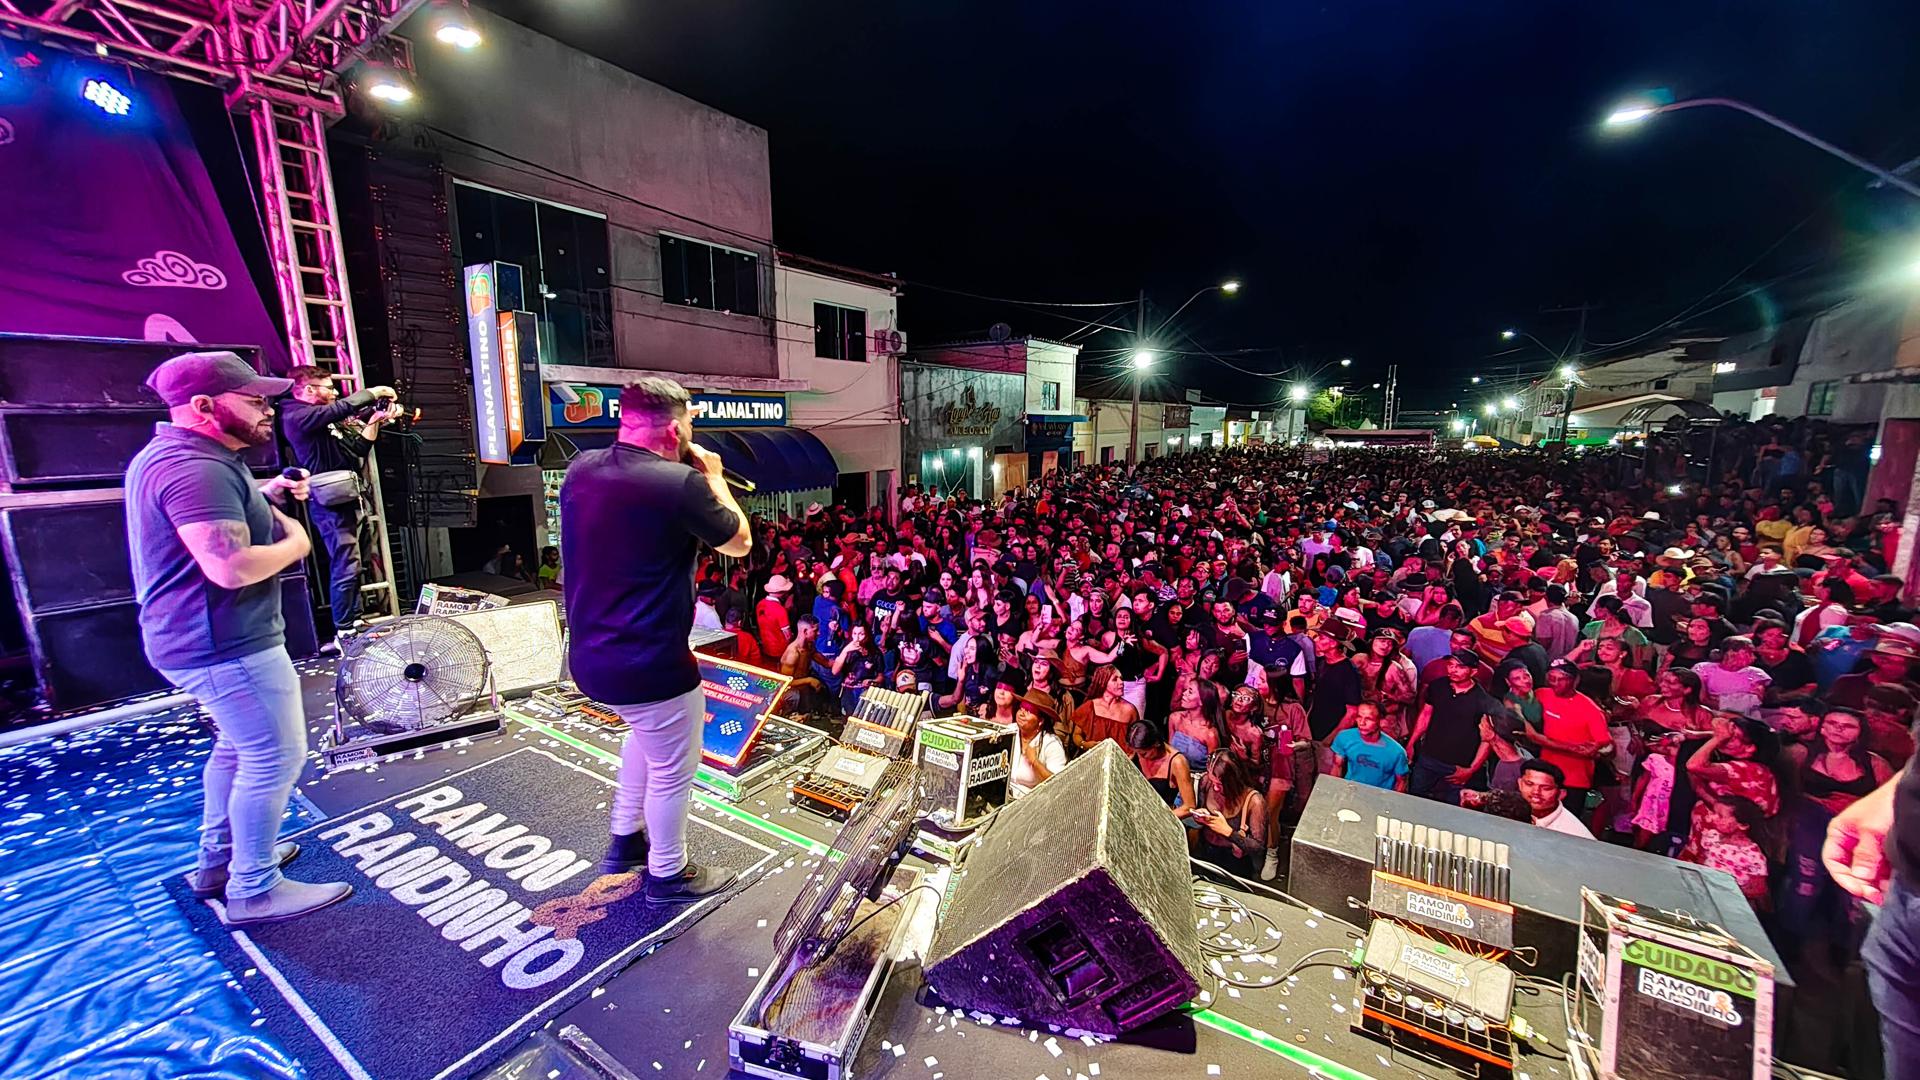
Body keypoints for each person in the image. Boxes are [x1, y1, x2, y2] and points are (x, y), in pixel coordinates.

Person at [126, 351, 349, 924]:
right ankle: (254, 888)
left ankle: (220, 862)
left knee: (237, 747)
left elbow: (207, 522)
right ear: (203, 406)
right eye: (252, 401)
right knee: (275, 756)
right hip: (225, 643)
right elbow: (230, 567)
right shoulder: (196, 469)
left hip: (197, 638)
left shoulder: (180, 456)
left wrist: (263, 497)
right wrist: (297, 542)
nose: (267, 410)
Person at [561, 378, 751, 903]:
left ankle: (625, 839)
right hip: (650, 662)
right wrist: (714, 478)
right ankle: (668, 872)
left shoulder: (582, 468)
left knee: (646, 736)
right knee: (672, 769)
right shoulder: (678, 483)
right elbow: (739, 542)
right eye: (688, 424)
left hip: (590, 657)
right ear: (674, 430)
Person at [277, 366, 402, 638]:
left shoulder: (323, 419)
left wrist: (375, 419)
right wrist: (375, 392)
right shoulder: (296, 414)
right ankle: (345, 628)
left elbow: (358, 448)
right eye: (329, 387)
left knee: (355, 562)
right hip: (330, 503)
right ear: (309, 389)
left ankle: (353, 620)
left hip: (347, 495)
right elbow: (342, 408)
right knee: (345, 564)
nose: (334, 393)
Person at [1406, 649, 1498, 804]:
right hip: (1428, 757)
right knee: (1414, 797)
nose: (1453, 670)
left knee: (1452, 806)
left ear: (1473, 671)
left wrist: (1471, 770)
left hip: (1458, 766)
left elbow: (1487, 740)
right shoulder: (1438, 686)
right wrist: (1411, 743)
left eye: (1460, 667)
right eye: (1451, 665)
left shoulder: (1483, 701)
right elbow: (1426, 715)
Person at [1526, 659, 1612, 820]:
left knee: (1566, 823)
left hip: (1574, 780)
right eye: (1552, 678)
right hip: (1544, 775)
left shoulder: (1591, 710)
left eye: (1562, 679)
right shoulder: (1541, 694)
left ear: (1575, 680)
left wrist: (1596, 750)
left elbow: (1607, 746)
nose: (1555, 683)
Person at [1329, 702, 1409, 791]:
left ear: (1380, 720)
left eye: (1368, 719)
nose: (1362, 723)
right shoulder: (1344, 737)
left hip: (1380, 795)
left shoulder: (1396, 752)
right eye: (1359, 717)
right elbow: (1337, 766)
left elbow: (1401, 782)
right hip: (1351, 790)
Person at [1010, 688, 1068, 798]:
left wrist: (1035, 762)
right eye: (1021, 708)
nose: (1022, 713)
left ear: (1041, 721)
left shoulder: (1051, 744)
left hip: (1031, 801)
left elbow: (1059, 784)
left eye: (1029, 711)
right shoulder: (1009, 732)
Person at [1516, 759, 1594, 838]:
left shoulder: (1575, 835)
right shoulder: (1511, 809)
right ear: (1520, 783)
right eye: (1529, 784)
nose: (1536, 792)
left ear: (1561, 794)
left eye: (1546, 788)